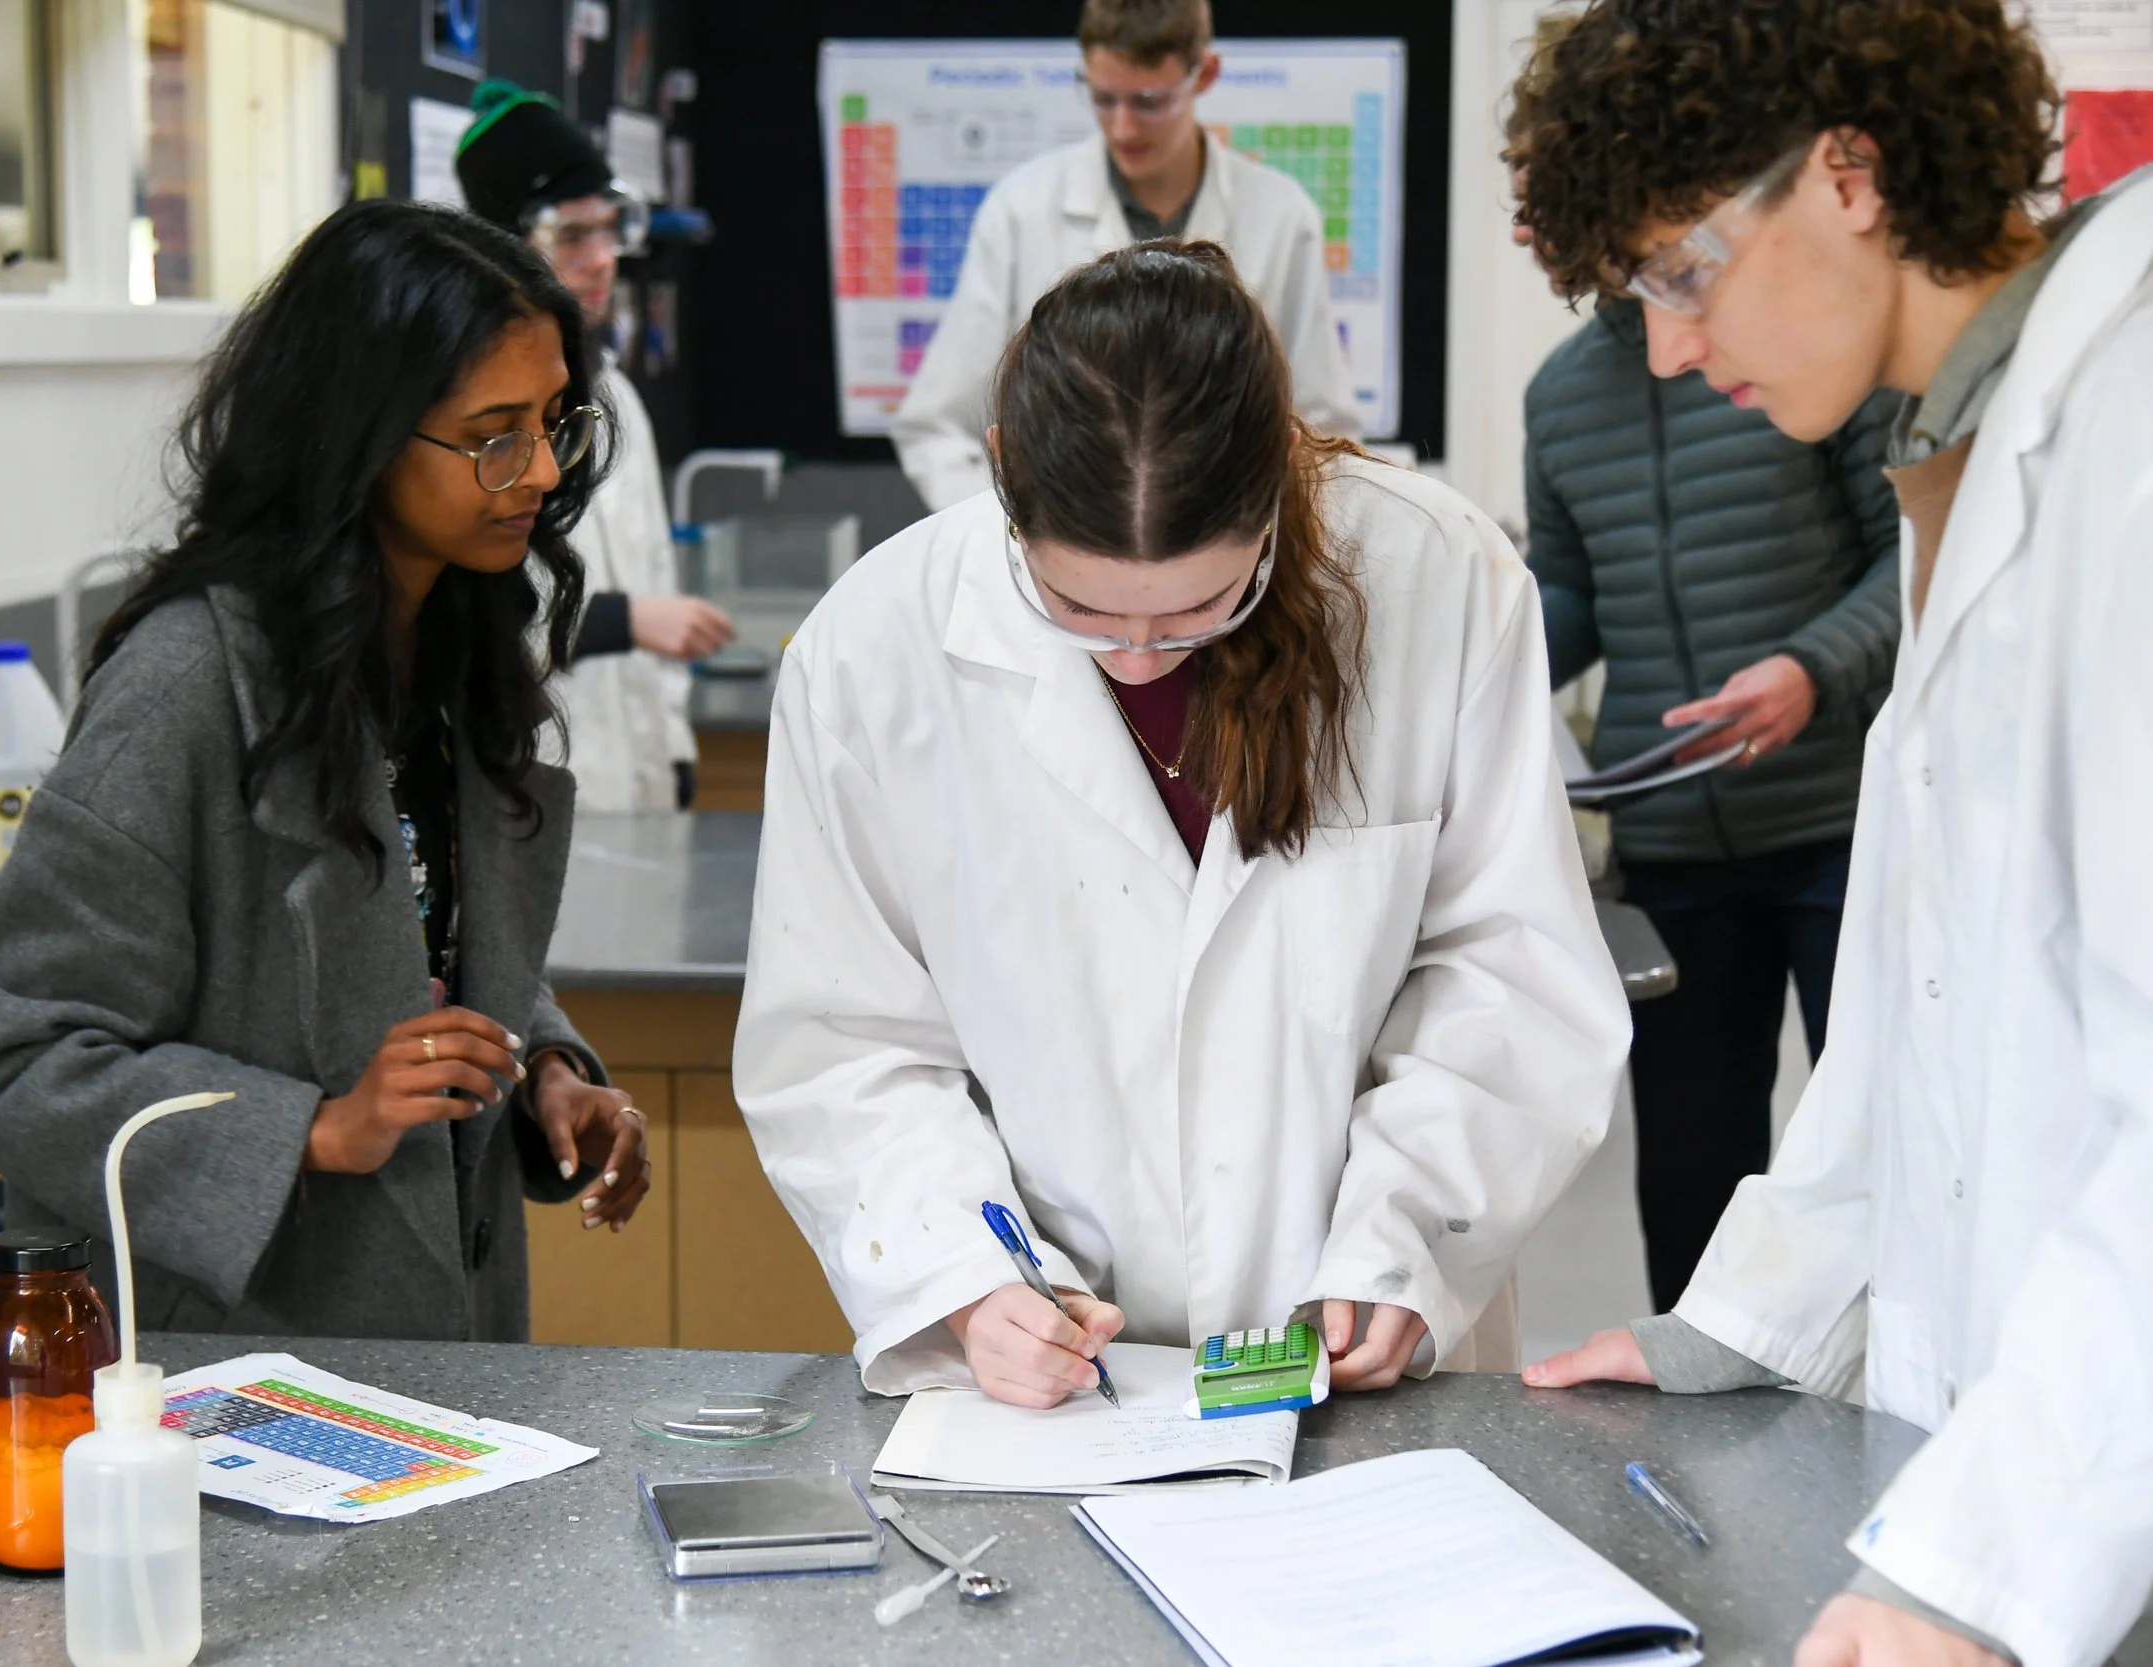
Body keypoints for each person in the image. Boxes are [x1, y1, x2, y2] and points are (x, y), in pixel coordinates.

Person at [1507, 3, 2153, 1664]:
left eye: (1679, 271)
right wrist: (1752, 1320)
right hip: (2019, 1454)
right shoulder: (1968, 441)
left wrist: (1985, 1568)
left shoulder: (2131, 423)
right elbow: (1927, 1020)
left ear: (1850, 175)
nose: (1664, 347)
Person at [734, 241, 1628, 1407]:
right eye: (1079, 606)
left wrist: (1400, 1244)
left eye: (1205, 602)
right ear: (1003, 475)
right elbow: (844, 1040)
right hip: (1060, 1377)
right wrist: (962, 1272)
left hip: (1361, 1346)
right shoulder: (872, 648)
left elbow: (1509, 967)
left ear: (1274, 485)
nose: (1142, 652)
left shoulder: (1440, 578)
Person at [0, 201, 655, 1342]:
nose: (538, 471)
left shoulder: (453, 645)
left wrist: (545, 1072)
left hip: (430, 1365)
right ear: (358, 438)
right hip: (228, 1371)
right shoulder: (185, 688)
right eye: (493, 434)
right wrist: (311, 1130)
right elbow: (6, 1056)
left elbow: (415, 937)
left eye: (556, 421)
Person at [1525, 300, 1903, 1310]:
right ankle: (1696, 1449)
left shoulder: (1793, 341)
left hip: (1838, 826)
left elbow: (1907, 554)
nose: (1528, 221)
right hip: (1671, 843)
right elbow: (1570, 596)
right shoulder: (1558, 394)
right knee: (1694, 1193)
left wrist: (1810, 668)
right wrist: (1477, 648)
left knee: (1879, 1161)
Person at [888, 0, 1360, 512]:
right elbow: (936, 425)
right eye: (1103, 98)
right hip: (1055, 555)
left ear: (1206, 74)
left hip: (1226, 551)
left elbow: (1321, 431)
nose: (1123, 128)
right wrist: (1011, 540)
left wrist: (1265, 547)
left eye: (1150, 101)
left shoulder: (1280, 216)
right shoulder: (1021, 210)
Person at [456, 80, 735, 812]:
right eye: (573, 236)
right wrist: (625, 619)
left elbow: (654, 572)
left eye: (609, 229)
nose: (603, 258)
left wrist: (673, 750)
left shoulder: (617, 398)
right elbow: (479, 614)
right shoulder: (469, 416)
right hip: (534, 779)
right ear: (506, 246)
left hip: (636, 776)